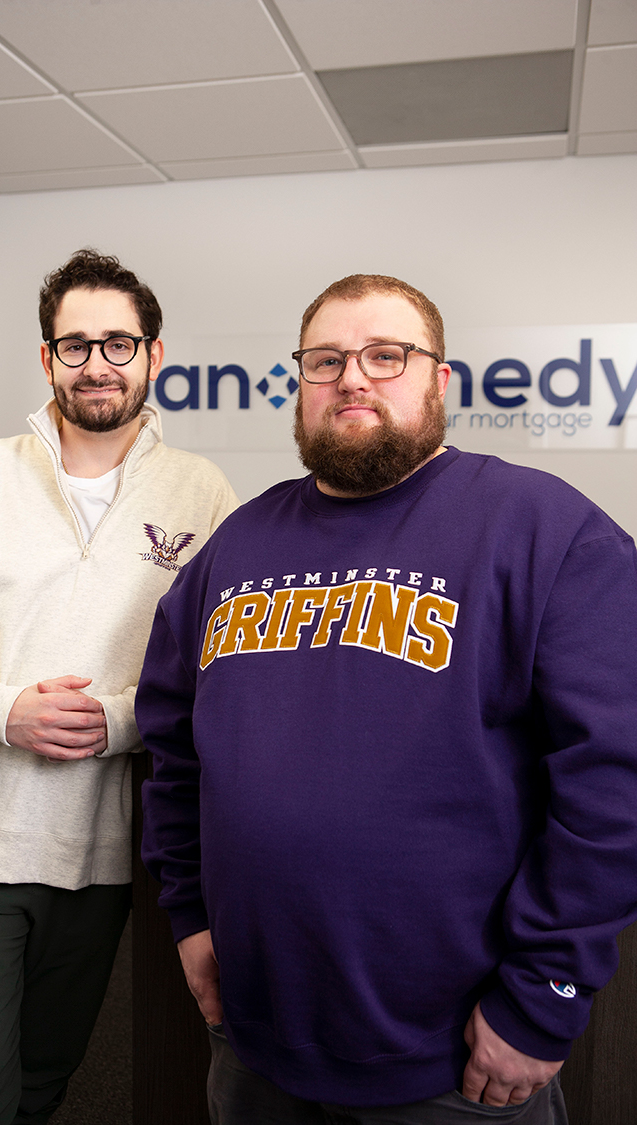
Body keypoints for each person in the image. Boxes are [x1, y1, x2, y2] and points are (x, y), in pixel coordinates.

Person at [136, 274, 637, 1124]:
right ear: (300, 384)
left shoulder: (546, 529)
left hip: (456, 1056)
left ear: (439, 380)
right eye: (326, 360)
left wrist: (544, 994)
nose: (353, 378)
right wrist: (189, 914)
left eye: (385, 355)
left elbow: (615, 783)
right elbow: (174, 750)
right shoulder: (237, 546)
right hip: (255, 1035)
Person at [0, 248, 237, 1125]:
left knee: (44, 1083)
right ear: (47, 359)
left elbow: (218, 663)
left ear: (154, 355)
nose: (97, 364)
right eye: (74, 345)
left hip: (105, 854)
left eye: (119, 343)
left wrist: (117, 723)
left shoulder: (203, 491)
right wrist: (6, 710)